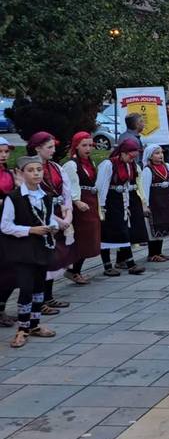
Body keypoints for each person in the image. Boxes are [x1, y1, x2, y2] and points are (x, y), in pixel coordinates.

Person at [2, 155, 59, 348]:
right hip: (22, 250)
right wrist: (30, 230)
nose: (36, 173)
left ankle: (34, 324)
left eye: (39, 170)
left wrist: (52, 227)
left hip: (41, 248)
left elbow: (50, 218)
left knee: (38, 287)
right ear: (21, 173)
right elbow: (6, 226)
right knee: (25, 288)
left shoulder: (47, 197)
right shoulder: (14, 198)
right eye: (30, 170)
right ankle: (22, 329)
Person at [28, 133, 74, 313]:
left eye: (54, 147)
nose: (53, 151)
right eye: (49, 147)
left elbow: (66, 192)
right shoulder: (32, 169)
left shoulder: (55, 167)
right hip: (41, 215)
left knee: (54, 256)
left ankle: (48, 296)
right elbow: (34, 196)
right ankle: (38, 301)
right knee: (42, 257)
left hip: (58, 212)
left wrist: (68, 215)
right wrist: (57, 220)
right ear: (37, 148)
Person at [97, 138, 147, 276]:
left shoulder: (128, 165)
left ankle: (130, 263)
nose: (132, 160)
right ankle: (107, 265)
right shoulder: (108, 164)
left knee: (124, 230)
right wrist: (101, 207)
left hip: (122, 201)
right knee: (107, 233)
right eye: (130, 156)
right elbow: (102, 186)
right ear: (123, 153)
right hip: (109, 201)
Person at [140, 144, 169, 263]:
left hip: (166, 198)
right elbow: (145, 187)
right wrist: (146, 204)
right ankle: (152, 254)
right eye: (157, 153)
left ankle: (159, 251)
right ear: (150, 156)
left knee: (163, 225)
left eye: (161, 153)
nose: (160, 155)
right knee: (155, 225)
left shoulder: (166, 166)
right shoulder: (148, 170)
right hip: (155, 199)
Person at [0, 138, 18, 326]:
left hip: (8, 226)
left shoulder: (8, 172)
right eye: (0, 152)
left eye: (6, 151)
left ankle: (2, 308)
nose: (4, 155)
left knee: (11, 270)